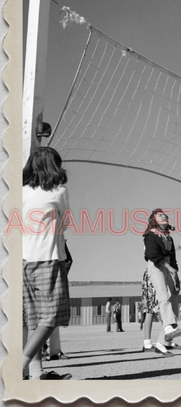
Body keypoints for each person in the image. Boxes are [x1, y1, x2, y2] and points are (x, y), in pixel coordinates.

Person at [22, 147, 73, 380]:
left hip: (23, 261)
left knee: (34, 319)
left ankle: (36, 374)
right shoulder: (58, 191)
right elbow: (66, 223)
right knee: (52, 317)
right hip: (48, 258)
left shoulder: (21, 192)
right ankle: (19, 366)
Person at [143, 209, 181, 356]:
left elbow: (173, 259)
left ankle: (161, 343)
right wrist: (169, 268)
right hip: (156, 267)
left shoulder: (169, 238)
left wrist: (175, 275)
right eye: (160, 215)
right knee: (163, 296)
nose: (164, 216)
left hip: (168, 268)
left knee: (173, 302)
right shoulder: (150, 236)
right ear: (154, 221)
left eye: (165, 215)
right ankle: (169, 328)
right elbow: (151, 255)